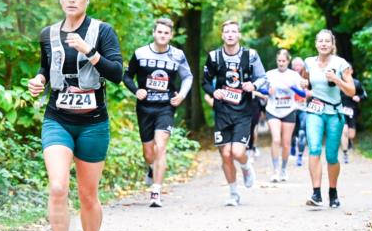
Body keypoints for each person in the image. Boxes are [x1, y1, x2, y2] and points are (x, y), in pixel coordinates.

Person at [27, 0, 124, 231]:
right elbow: (45, 67)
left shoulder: (102, 31)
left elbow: (116, 73)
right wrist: (39, 81)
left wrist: (89, 51)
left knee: (87, 195)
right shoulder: (48, 34)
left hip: (93, 124)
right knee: (57, 187)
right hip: (58, 120)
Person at [122, 16, 193, 207]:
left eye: (166, 33)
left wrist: (182, 95)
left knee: (160, 146)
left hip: (166, 107)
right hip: (145, 108)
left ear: (171, 36)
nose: (162, 35)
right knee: (148, 153)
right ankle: (151, 169)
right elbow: (127, 77)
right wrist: (137, 90)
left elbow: (187, 77)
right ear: (154, 33)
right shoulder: (140, 53)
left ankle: (156, 191)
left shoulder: (177, 55)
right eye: (159, 32)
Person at [202, 20, 267, 206]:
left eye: (233, 31)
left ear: (239, 35)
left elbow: (263, 78)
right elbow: (205, 81)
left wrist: (253, 85)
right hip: (222, 111)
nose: (230, 34)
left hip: (244, 111)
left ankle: (246, 166)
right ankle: (233, 193)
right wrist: (213, 92)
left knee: (237, 152)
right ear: (222, 35)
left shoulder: (251, 55)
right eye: (227, 32)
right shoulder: (214, 56)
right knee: (226, 155)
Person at [299, 29, 356, 208]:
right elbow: (305, 79)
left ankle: (333, 191)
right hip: (314, 110)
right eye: (320, 41)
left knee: (331, 155)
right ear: (316, 44)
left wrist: (336, 80)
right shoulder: (309, 62)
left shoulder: (341, 64)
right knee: (314, 149)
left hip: (334, 113)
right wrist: (304, 84)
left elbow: (351, 91)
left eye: (327, 41)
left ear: (332, 45)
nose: (323, 44)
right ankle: (316, 193)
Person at [264, 49, 305, 182]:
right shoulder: (269, 74)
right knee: (276, 139)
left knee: (286, 143)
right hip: (273, 110)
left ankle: (283, 169)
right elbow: (260, 88)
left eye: (283, 61)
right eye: (279, 61)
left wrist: (292, 87)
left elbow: (303, 94)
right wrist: (268, 91)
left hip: (289, 110)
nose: (281, 63)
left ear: (288, 61)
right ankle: (275, 170)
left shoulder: (294, 75)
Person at [339, 76, 367, 163]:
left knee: (351, 135)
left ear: (350, 72)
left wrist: (359, 97)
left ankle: (349, 142)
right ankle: (345, 153)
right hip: (340, 110)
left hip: (352, 110)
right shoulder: (337, 82)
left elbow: (364, 95)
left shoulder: (356, 83)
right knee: (344, 131)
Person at [290, 56, 308, 166]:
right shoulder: (288, 76)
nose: (297, 67)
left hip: (304, 108)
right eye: (295, 65)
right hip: (291, 108)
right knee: (293, 132)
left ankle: (300, 156)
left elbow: (310, 91)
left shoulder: (307, 76)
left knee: (302, 132)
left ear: (303, 66)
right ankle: (292, 144)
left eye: (299, 65)